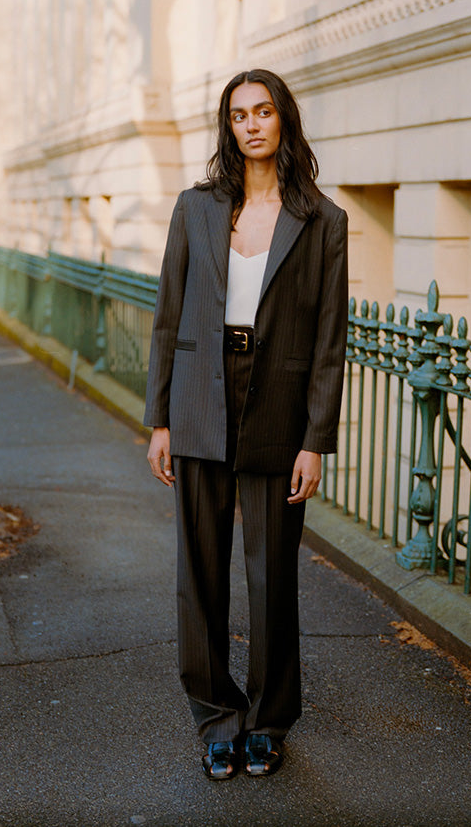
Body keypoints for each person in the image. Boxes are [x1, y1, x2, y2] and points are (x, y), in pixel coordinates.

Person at [144, 68, 348, 780]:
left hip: (277, 409)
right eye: (239, 115)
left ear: (284, 120)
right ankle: (217, 716)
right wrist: (159, 419)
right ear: (227, 127)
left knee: (272, 573)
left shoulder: (322, 220)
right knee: (198, 571)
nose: (252, 124)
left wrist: (315, 441)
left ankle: (269, 719)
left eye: (264, 112)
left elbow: (329, 341)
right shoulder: (196, 209)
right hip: (201, 398)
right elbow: (169, 317)